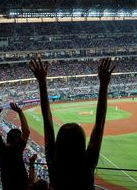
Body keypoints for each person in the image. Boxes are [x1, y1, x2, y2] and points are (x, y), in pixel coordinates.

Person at [29, 58, 115, 190]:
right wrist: (104, 85)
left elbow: (47, 119)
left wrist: (42, 83)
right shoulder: (87, 163)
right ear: (81, 143)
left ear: (59, 142)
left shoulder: (53, 162)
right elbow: (100, 122)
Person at [0, 101, 30, 190]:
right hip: (22, 184)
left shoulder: (0, 148)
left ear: (7, 138)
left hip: (6, 184)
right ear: (17, 140)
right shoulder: (17, 149)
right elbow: (27, 132)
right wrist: (20, 111)